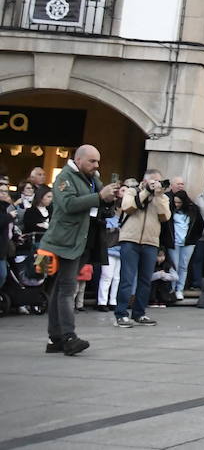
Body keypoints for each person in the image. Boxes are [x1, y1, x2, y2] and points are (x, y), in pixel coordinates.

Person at [39, 144, 120, 355]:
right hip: (66, 242)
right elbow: (68, 204)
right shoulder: (65, 177)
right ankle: (68, 337)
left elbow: (100, 204)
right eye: (92, 161)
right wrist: (100, 197)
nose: (96, 165)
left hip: (84, 240)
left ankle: (55, 338)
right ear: (79, 160)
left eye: (98, 161)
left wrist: (110, 199)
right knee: (66, 289)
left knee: (60, 289)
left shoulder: (92, 178)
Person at [114, 168, 171, 328]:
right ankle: (121, 314)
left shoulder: (162, 197)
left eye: (158, 181)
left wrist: (158, 196)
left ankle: (139, 313)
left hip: (150, 242)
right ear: (145, 180)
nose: (156, 184)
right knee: (127, 278)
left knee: (145, 280)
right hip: (130, 240)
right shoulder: (132, 191)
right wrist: (146, 192)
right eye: (153, 181)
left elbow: (165, 216)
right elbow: (128, 207)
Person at [167, 190, 202, 301]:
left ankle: (179, 289)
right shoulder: (170, 209)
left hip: (188, 242)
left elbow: (200, 225)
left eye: (179, 202)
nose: (177, 204)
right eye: (175, 202)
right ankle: (172, 289)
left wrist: (194, 239)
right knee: (174, 266)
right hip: (174, 242)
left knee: (183, 266)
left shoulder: (193, 210)